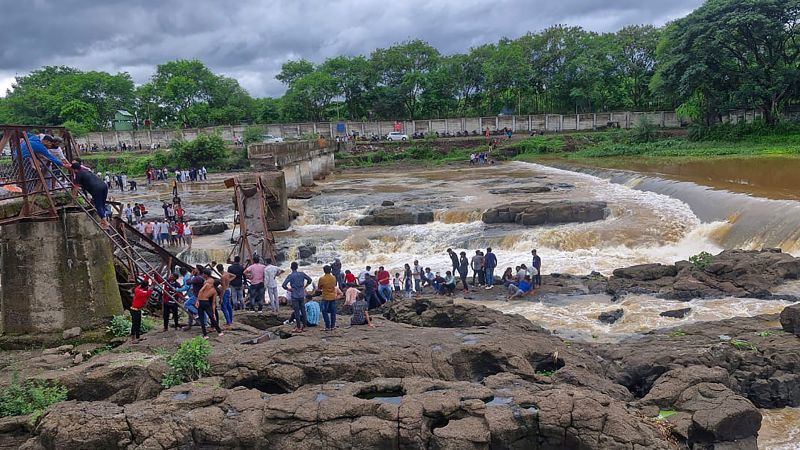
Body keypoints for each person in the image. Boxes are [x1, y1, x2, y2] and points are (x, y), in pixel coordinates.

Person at [70, 159, 109, 228]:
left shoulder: (78, 175)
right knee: (102, 204)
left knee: (98, 206)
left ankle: (105, 222)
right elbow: (83, 187)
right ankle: (103, 220)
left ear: (74, 170)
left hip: (96, 189)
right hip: (104, 186)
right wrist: (86, 196)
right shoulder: (86, 171)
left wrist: (73, 198)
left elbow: (76, 188)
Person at [282, 262, 312, 333]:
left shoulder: (290, 276)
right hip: (301, 295)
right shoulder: (302, 274)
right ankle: (304, 326)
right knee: (303, 311)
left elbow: (284, 285)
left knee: (297, 312)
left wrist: (289, 289)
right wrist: (305, 286)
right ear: (297, 267)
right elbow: (310, 280)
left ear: (291, 268)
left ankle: (298, 327)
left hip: (294, 295)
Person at [196, 270, 224, 338]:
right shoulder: (215, 291)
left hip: (201, 302)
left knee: (202, 319)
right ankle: (219, 331)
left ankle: (205, 335)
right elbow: (213, 303)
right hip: (206, 302)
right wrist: (213, 313)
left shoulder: (207, 284)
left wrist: (197, 300)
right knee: (212, 317)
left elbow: (200, 291)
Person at [317, 265, 340, 331]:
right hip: (333, 296)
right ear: (331, 270)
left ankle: (327, 326)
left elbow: (319, 287)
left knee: (324, 312)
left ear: (324, 271)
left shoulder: (322, 278)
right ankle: (333, 326)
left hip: (326, 297)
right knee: (333, 312)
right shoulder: (334, 277)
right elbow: (335, 285)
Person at [130, 278, 152, 343]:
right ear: (145, 286)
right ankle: (133, 338)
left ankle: (138, 337)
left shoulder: (137, 289)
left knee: (138, 323)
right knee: (135, 324)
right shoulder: (141, 292)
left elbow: (141, 285)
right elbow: (149, 293)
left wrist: (146, 279)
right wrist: (152, 286)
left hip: (137, 310)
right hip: (135, 310)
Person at [217, 264, 236, 329]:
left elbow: (223, 288)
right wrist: (229, 280)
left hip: (225, 291)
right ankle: (230, 320)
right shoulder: (227, 273)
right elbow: (234, 276)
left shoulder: (222, 277)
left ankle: (228, 322)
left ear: (218, 270)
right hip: (229, 289)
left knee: (224, 307)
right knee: (229, 306)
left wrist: (221, 298)